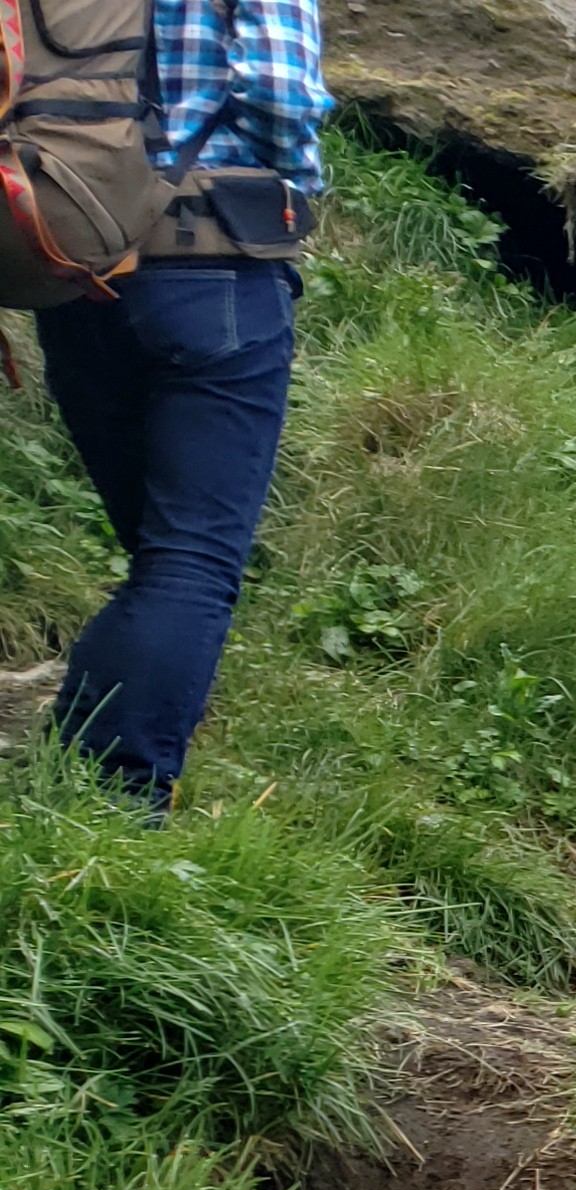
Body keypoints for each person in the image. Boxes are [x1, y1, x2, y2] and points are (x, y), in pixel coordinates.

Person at [28, 0, 327, 808]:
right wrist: (300, 177)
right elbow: (282, 94)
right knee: (190, 560)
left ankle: (72, 779)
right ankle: (118, 805)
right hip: (216, 267)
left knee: (162, 559)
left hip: (77, 273)